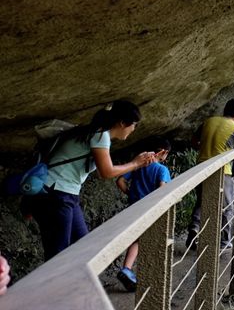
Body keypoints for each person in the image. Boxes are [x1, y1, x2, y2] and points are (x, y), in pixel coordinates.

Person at [28, 100, 160, 260]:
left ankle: (76, 284)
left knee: (83, 246)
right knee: (58, 255)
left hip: (65, 194)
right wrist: (135, 164)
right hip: (57, 193)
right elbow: (106, 172)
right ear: (122, 123)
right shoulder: (100, 134)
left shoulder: (95, 133)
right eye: (134, 125)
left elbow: (102, 170)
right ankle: (54, 285)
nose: (134, 129)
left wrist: (138, 162)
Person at [186, 98, 234, 251]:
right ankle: (224, 241)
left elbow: (193, 141)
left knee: (202, 201)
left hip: (201, 167)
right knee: (227, 207)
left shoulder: (208, 122)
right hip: (222, 171)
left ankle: (195, 228)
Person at [115, 136, 172, 292]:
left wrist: (130, 193)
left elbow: (120, 180)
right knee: (144, 240)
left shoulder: (138, 166)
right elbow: (162, 190)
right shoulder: (162, 170)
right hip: (149, 209)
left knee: (137, 238)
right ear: (163, 152)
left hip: (134, 206)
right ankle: (131, 270)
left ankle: (128, 269)